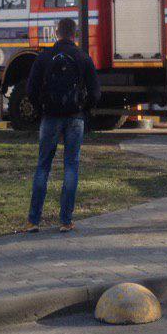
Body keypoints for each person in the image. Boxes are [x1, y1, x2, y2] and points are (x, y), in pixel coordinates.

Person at [22, 17, 100, 233]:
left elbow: (30, 90)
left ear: (57, 33)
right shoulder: (83, 58)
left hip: (50, 117)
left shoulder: (44, 57)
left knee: (43, 165)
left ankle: (33, 221)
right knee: (71, 165)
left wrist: (41, 109)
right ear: (74, 34)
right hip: (75, 118)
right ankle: (65, 221)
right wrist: (83, 109)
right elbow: (95, 92)